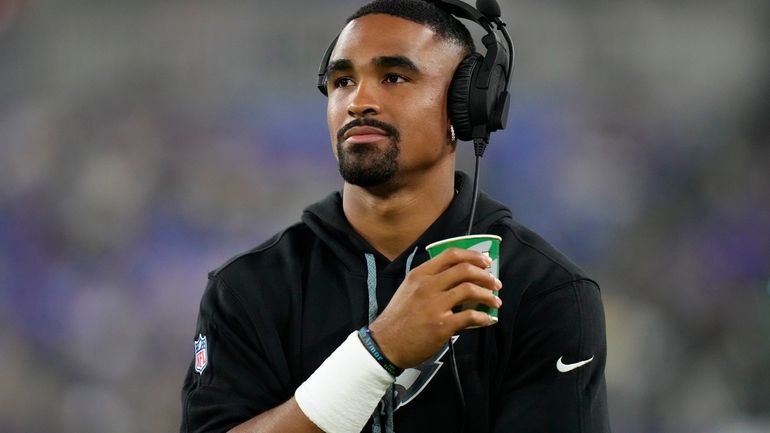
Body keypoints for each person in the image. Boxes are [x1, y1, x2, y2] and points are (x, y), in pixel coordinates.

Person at [180, 1, 610, 432]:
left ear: (465, 106)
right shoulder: (246, 289)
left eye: (394, 77)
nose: (358, 101)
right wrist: (379, 352)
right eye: (342, 81)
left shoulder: (544, 291)